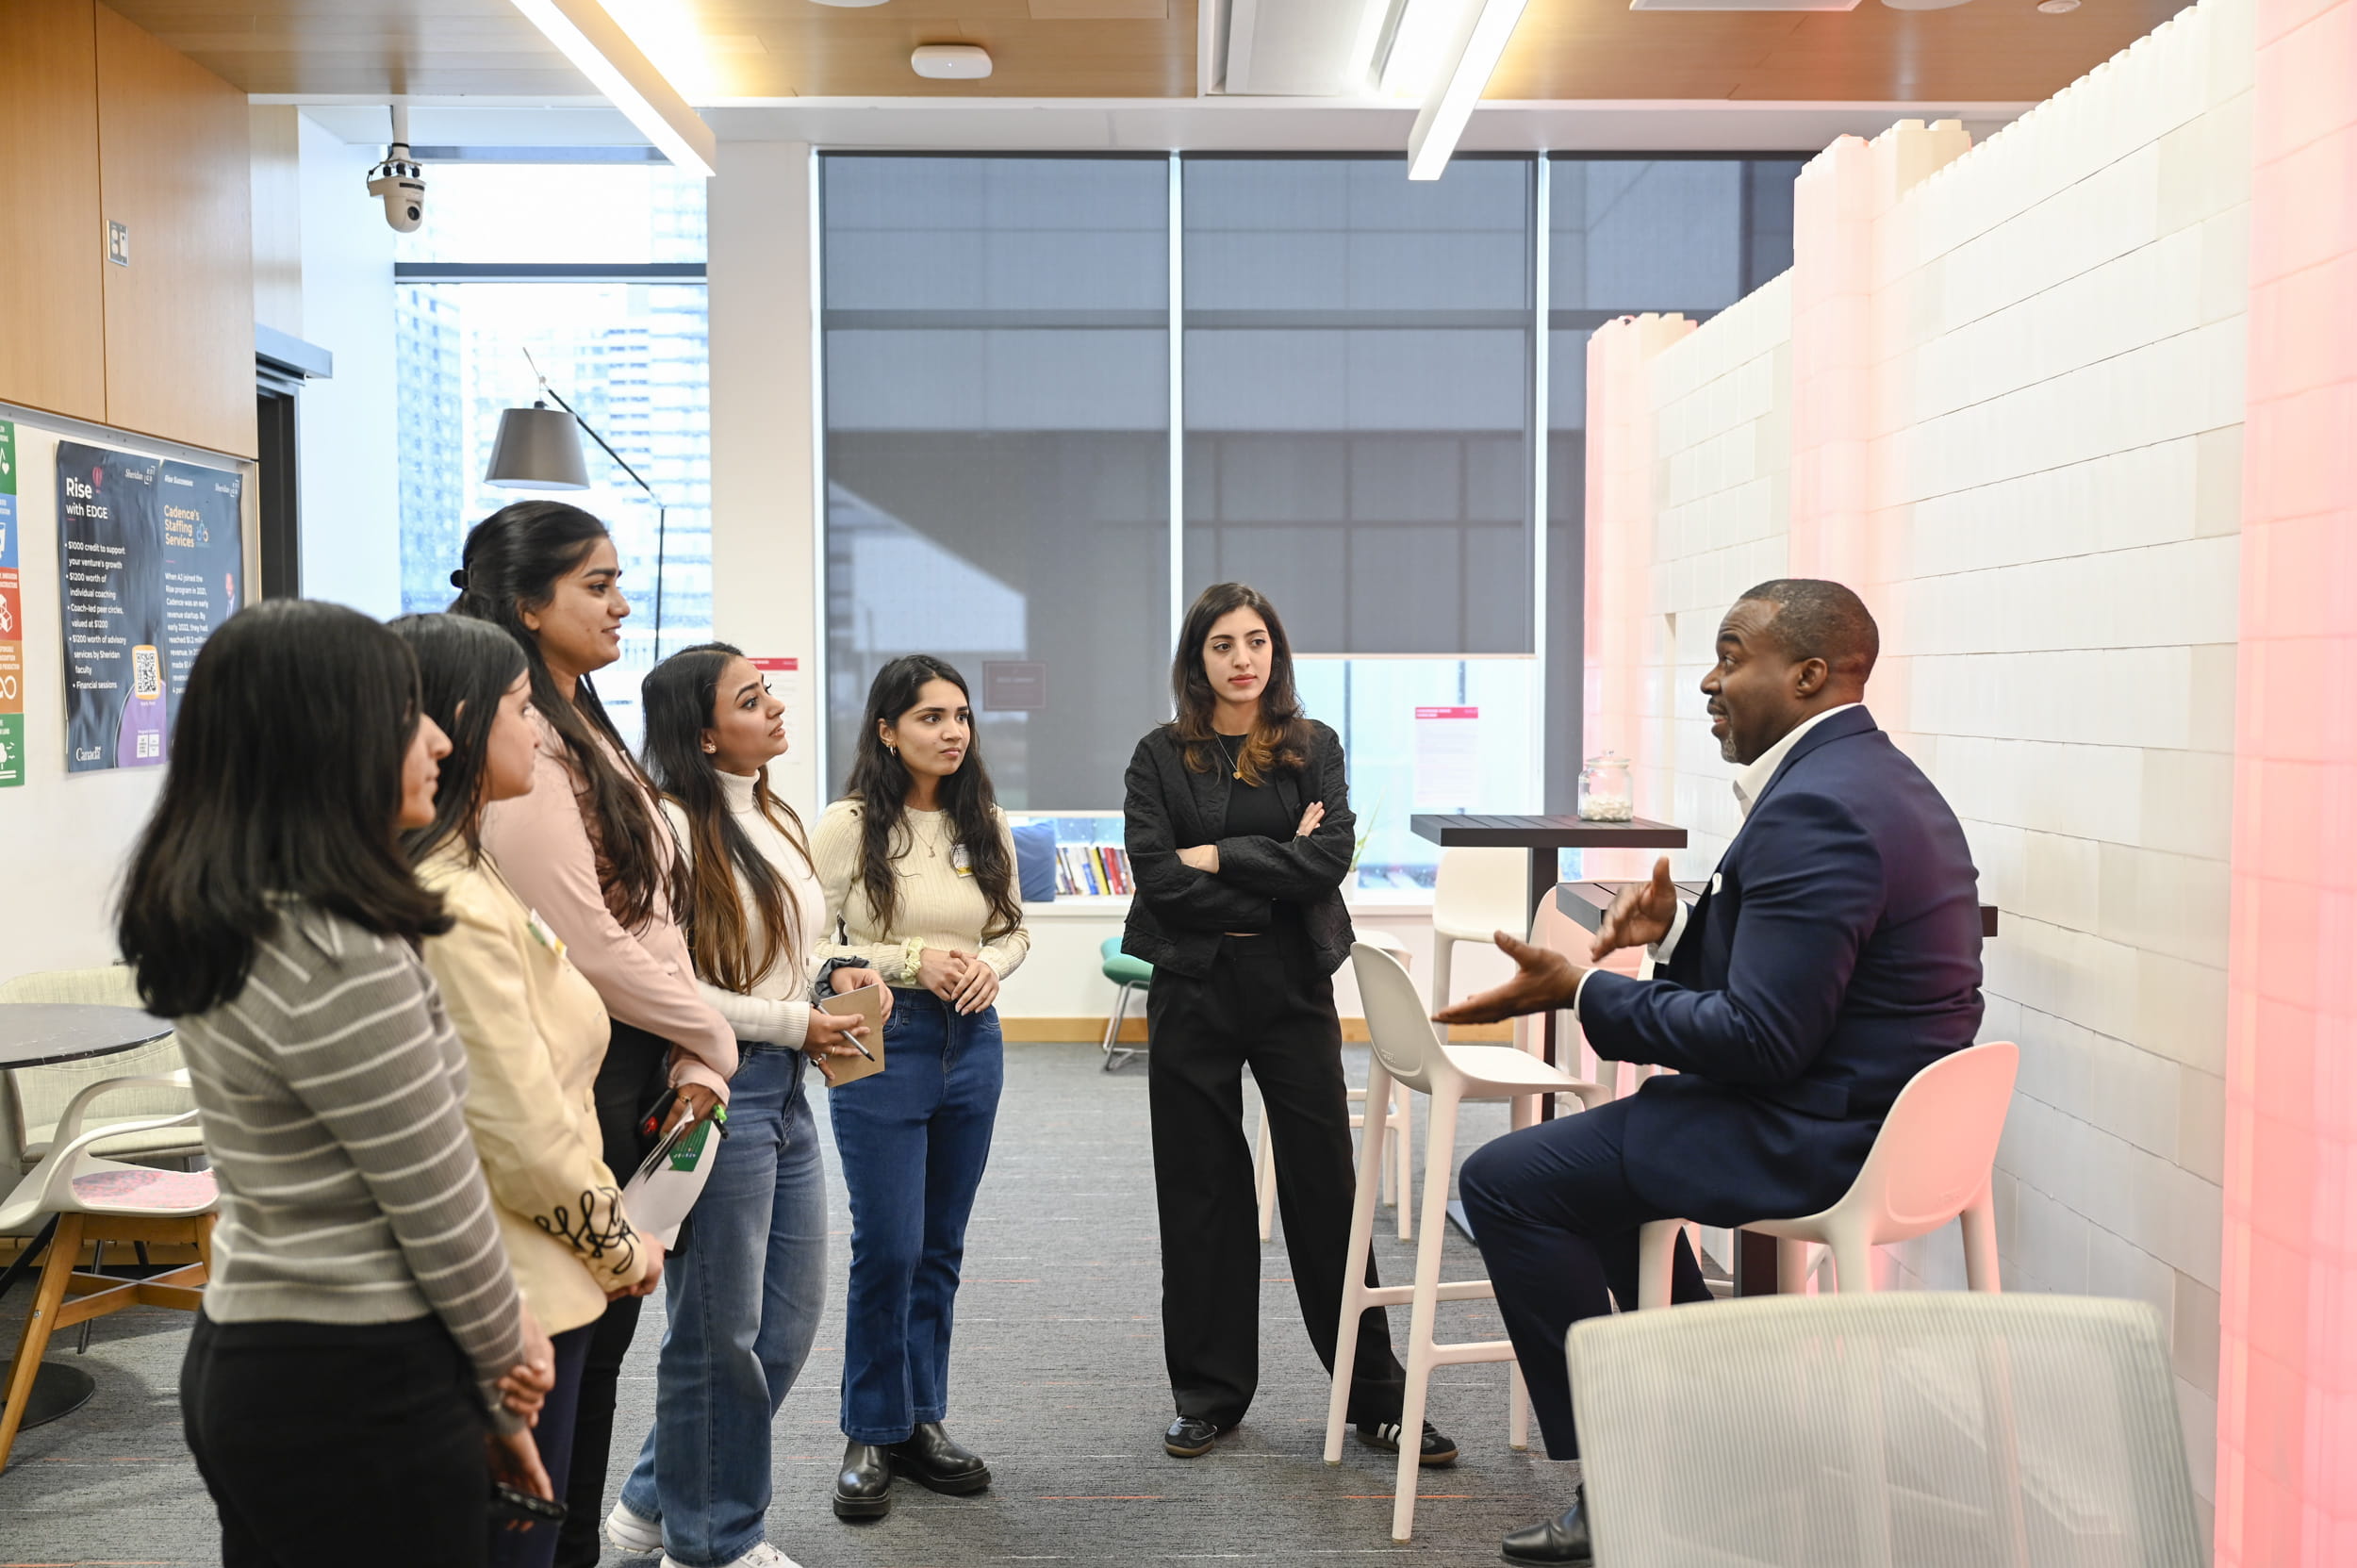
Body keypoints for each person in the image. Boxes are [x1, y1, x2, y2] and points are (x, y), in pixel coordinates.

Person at [1433, 579, 1986, 1568]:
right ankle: (1716, 1430)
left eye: (1732, 656)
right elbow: (1806, 985)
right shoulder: (1873, 777)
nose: (1707, 679)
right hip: (1886, 1117)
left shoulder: (1818, 805)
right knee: (1599, 1165)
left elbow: (1763, 1037)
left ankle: (1635, 1466)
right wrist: (1682, 928)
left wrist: (1582, 991)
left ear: (1808, 674)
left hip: (1820, 1134)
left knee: (1507, 1182)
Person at [121, 599, 555, 1566]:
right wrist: (505, 1362)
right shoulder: (335, 951)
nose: (440, 738)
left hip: (270, 1352)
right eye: (407, 714)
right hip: (357, 1380)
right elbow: (434, 1200)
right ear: (329, 737)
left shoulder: (250, 912)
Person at [452, 501, 739, 1568]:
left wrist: (697, 1040)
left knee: (606, 1345)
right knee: (577, 1342)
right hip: (594, 1063)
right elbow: (589, 942)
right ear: (528, 605)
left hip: (642, 1047)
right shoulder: (526, 749)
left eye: (621, 580)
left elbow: (650, 909)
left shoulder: (583, 719)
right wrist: (714, 1034)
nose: (623, 604)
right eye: (596, 585)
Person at [1122, 582, 1458, 1467]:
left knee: (1326, 1187)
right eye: (1224, 644)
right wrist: (1273, 860)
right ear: (1197, 658)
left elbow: (1328, 859)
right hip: (1193, 981)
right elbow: (1160, 877)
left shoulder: (1313, 748)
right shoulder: (1159, 757)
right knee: (1201, 1187)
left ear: (1276, 652)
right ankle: (1208, 1392)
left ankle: (1375, 1394)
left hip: (1289, 981)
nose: (1243, 659)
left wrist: (1222, 854)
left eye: (1257, 641)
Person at [392, 612, 666, 1568]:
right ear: (461, 727)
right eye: (522, 712)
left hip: (550, 1275)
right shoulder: (455, 905)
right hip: (514, 1287)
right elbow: (519, 1133)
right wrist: (619, 1238)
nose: (542, 735)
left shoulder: (480, 872)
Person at [611, 643, 887, 1568]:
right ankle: (716, 1542)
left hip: (789, 1085)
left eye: (767, 692)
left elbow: (787, 948)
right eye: (749, 698)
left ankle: (653, 1501)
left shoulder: (772, 809)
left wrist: (830, 973)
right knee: (715, 1330)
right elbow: (667, 985)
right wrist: (790, 1020)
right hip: (718, 1083)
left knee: (783, 1325)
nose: (774, 708)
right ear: (699, 732)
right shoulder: (667, 825)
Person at [810, 654, 1030, 1521]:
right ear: (887, 729)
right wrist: (910, 960)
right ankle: (869, 1428)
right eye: (932, 716)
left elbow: (1012, 929)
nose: (952, 732)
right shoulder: (846, 824)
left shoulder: (986, 821)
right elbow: (810, 945)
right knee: (889, 1243)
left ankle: (918, 1419)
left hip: (973, 1041)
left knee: (940, 1245)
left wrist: (989, 967)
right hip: (876, 1030)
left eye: (962, 716)